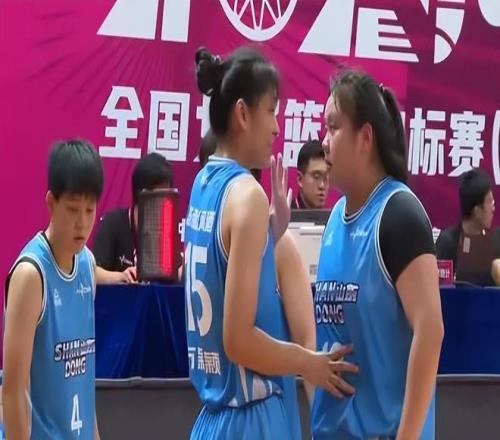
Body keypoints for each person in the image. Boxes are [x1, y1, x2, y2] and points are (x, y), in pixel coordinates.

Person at [185, 47, 357, 440]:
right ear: (243, 114)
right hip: (252, 417)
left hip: (212, 418)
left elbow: (221, 273)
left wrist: (269, 236)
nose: (278, 127)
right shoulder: (247, 195)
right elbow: (238, 341)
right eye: (272, 111)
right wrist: (307, 362)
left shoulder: (203, 184)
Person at [312, 71, 444, 439]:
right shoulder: (335, 219)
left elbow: (431, 331)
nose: (324, 142)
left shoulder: (399, 214)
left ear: (365, 138)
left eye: (334, 127)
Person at [3, 140, 105, 439]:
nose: (82, 223)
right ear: (51, 202)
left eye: (90, 209)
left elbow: (83, 383)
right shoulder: (30, 275)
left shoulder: (87, 265)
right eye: (73, 209)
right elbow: (13, 390)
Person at [93, 152, 173, 273]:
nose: (164, 201)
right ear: (141, 193)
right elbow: (94, 273)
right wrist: (121, 277)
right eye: (159, 194)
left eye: (168, 194)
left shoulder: (166, 229)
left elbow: (174, 273)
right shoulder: (112, 224)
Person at [436, 168, 499, 280]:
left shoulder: (495, 241)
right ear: (477, 211)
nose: (493, 208)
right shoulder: (448, 243)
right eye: (490, 202)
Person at [292, 140, 330, 209]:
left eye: (325, 178)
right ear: (300, 179)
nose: (322, 185)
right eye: (316, 177)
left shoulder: (334, 214)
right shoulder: (285, 214)